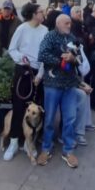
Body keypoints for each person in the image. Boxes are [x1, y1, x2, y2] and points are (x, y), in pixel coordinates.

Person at [3, 2, 47, 161]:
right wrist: (22, 59)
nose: (43, 14)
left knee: (35, 110)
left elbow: (45, 55)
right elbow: (12, 49)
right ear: (34, 14)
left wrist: (40, 75)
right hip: (22, 71)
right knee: (19, 107)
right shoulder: (22, 28)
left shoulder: (45, 30)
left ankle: (29, 144)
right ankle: (13, 142)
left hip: (37, 74)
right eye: (41, 11)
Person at [36, 14, 80, 169]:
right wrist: (61, 61)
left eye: (70, 23)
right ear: (58, 23)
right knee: (49, 119)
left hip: (69, 85)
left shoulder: (73, 38)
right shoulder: (50, 36)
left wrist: (73, 59)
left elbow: (80, 58)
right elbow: (41, 54)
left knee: (70, 119)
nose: (69, 25)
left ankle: (68, 151)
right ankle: (46, 149)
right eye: (67, 23)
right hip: (52, 84)